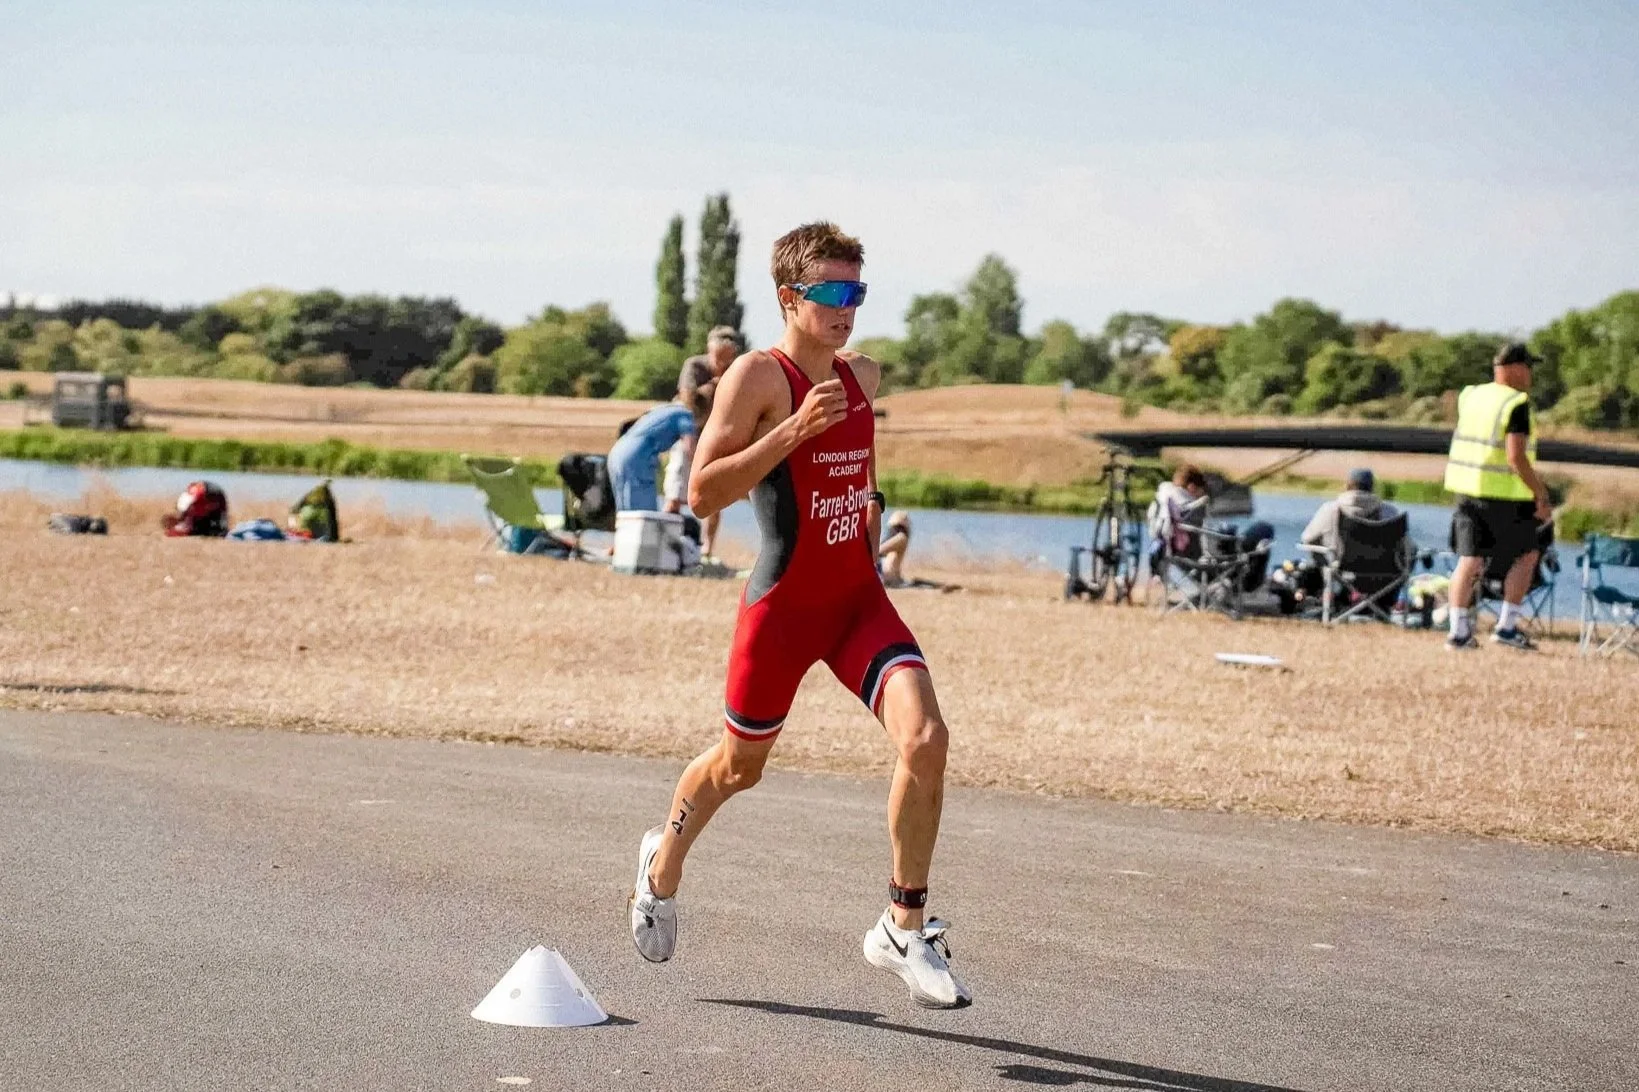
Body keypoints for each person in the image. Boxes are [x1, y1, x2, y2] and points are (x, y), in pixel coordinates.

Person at [627, 221, 971, 1009]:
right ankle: (659, 868)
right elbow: (703, 492)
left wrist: (871, 515)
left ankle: (901, 926)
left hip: (857, 603)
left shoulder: (864, 377)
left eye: (857, 292)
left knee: (926, 738)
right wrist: (790, 431)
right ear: (789, 297)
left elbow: (859, 471)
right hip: (782, 607)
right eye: (831, 293)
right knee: (737, 768)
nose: (847, 307)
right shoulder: (757, 375)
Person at [1443, 342, 1552, 651]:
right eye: (1529, 366)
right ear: (1515, 367)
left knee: (1469, 560)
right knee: (1527, 555)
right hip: (1505, 496)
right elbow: (1516, 456)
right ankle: (1506, 627)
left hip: (1466, 489)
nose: (1531, 374)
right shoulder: (1516, 403)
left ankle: (1458, 632)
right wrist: (1540, 494)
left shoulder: (1470, 396)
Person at [662, 325, 740, 560]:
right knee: (676, 489)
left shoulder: (736, 370)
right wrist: (716, 385)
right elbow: (689, 404)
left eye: (727, 359)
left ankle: (707, 549)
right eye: (718, 357)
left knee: (715, 495)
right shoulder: (694, 366)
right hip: (686, 432)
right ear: (709, 350)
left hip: (713, 436)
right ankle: (666, 544)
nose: (722, 364)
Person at [1299, 469, 1416, 569]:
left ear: (1347, 486)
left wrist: (1324, 565)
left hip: (1340, 578)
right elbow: (1409, 548)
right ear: (1371, 487)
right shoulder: (1389, 512)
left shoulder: (1331, 509)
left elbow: (1307, 538)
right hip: (1383, 582)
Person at [606, 396, 696, 512]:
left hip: (618, 451)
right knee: (644, 515)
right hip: (637, 457)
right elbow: (690, 449)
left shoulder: (664, 409)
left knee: (626, 515)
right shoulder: (686, 415)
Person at [878, 510, 912, 587]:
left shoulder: (901, 537)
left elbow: (879, 551)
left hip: (886, 575)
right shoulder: (901, 538)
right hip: (889, 575)